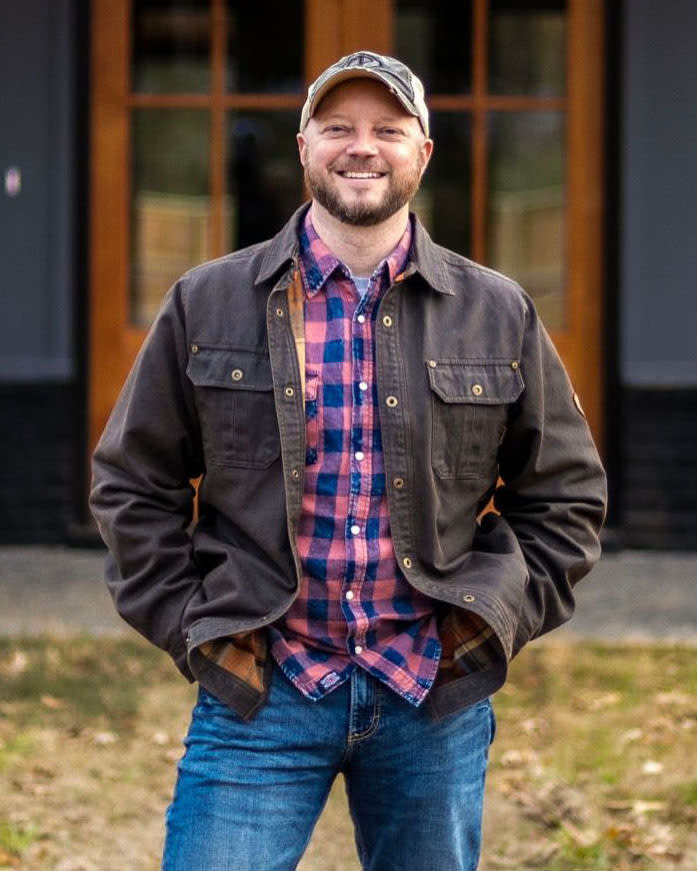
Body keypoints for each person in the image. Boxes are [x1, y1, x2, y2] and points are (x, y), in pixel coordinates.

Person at [90, 50, 607, 871]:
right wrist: (195, 624)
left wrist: (490, 616)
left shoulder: (495, 311)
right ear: (303, 147)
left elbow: (565, 495)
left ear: (421, 152)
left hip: (430, 693)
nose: (361, 147)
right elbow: (131, 482)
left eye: (387, 130)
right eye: (337, 127)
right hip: (264, 693)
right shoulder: (207, 301)